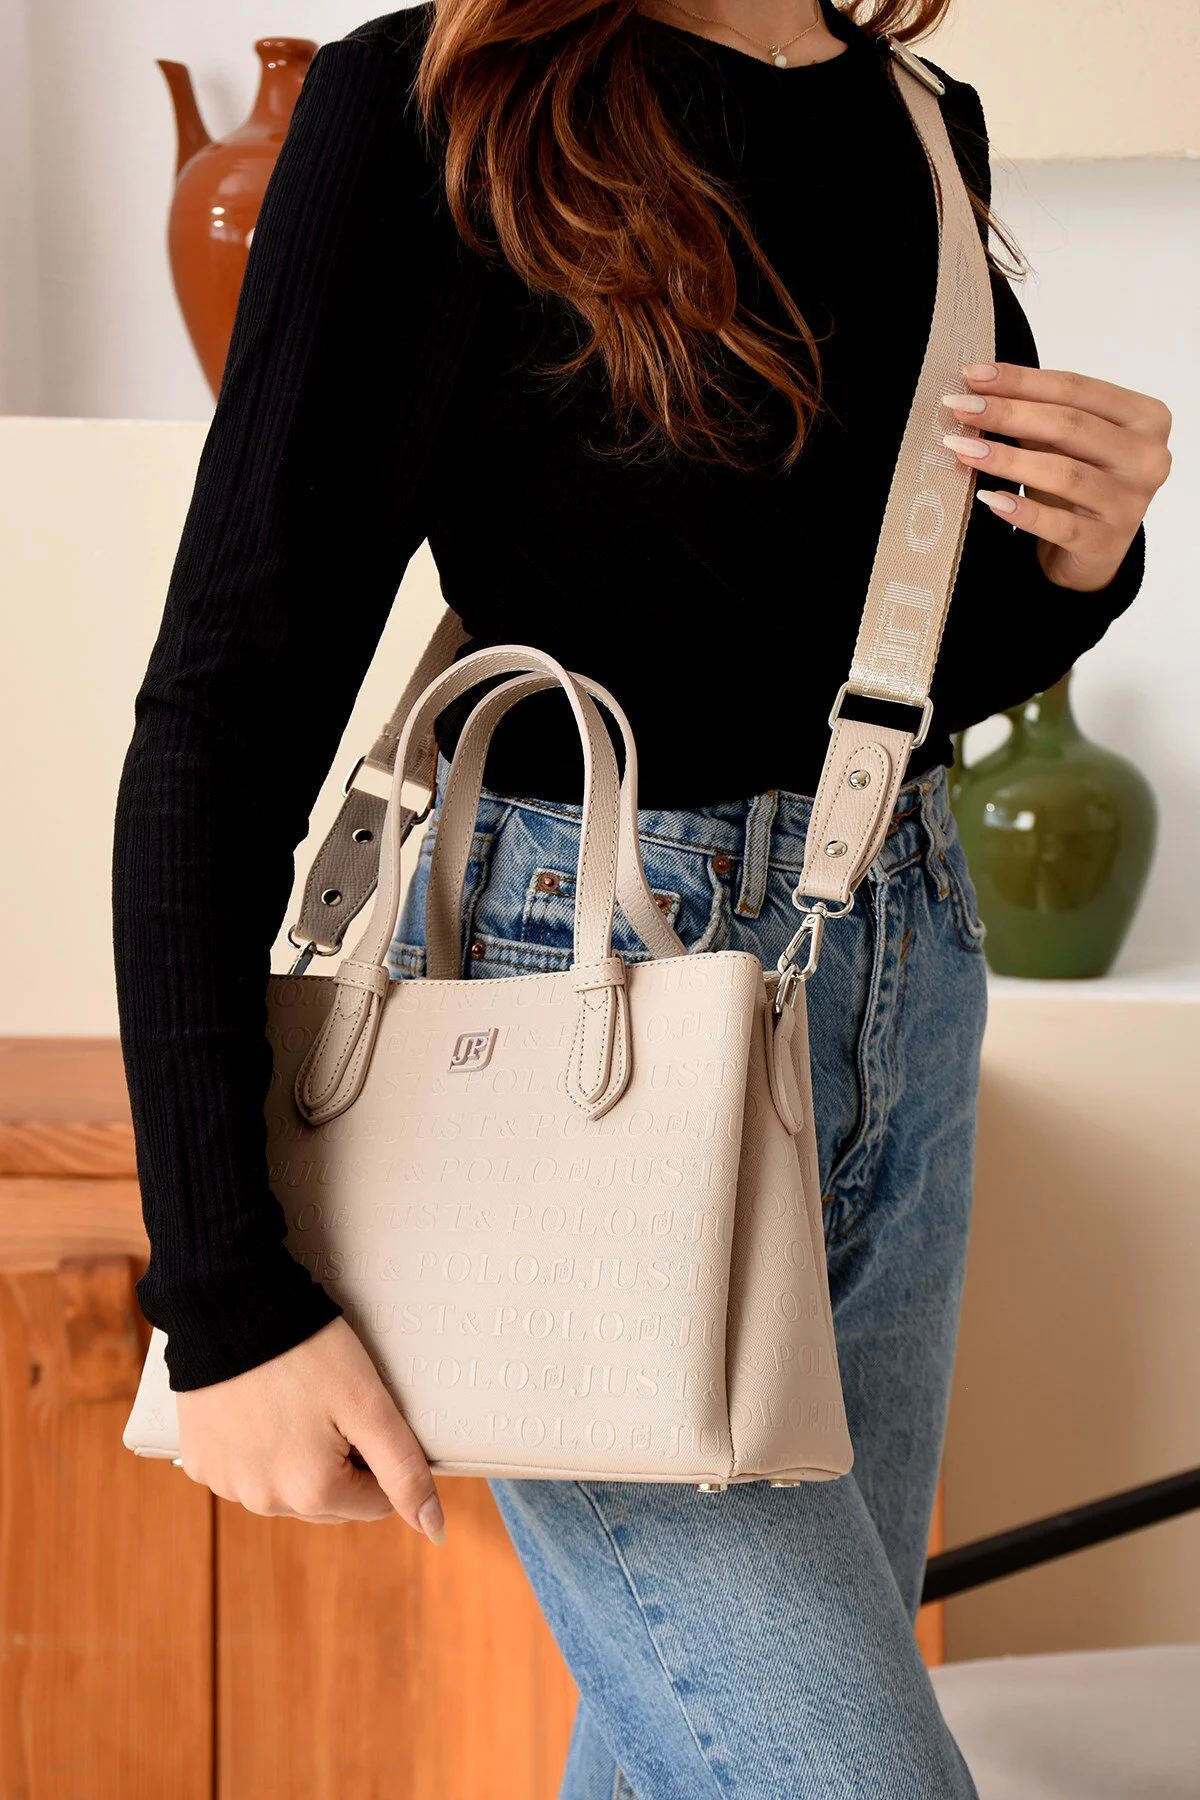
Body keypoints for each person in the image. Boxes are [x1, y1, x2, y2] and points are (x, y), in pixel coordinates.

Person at [111, 1, 1170, 1791]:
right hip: (579, 1021)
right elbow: (224, 708)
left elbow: (874, 666)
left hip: (899, 975)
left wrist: (1087, 557)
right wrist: (220, 1297)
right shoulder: (435, 106)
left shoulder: (916, 124)